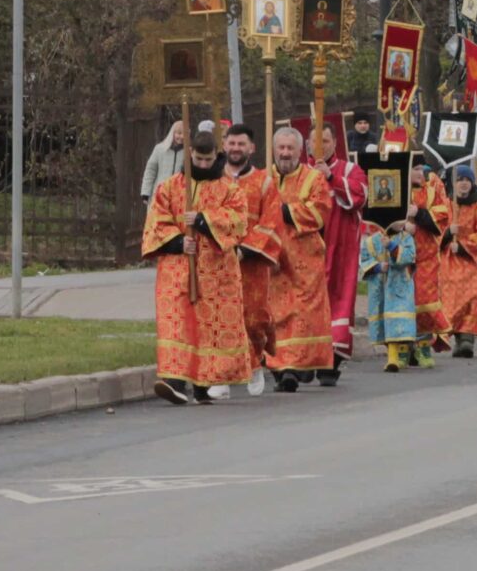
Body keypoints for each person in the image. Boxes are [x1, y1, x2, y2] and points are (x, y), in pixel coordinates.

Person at [143, 131, 251, 406]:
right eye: (198, 159)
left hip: (216, 273)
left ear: (217, 156)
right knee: (177, 324)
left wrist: (203, 220)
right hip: (177, 270)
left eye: (208, 159)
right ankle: (174, 382)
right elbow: (156, 221)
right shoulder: (169, 187)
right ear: (190, 155)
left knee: (208, 329)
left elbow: (238, 221)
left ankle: (203, 385)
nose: (203, 164)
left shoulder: (230, 189)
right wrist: (179, 242)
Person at [263, 128, 334, 391]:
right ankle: (280, 368)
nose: (285, 153)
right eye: (280, 148)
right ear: (273, 149)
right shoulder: (263, 179)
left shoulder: (313, 178)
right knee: (275, 315)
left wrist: (285, 210)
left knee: (302, 314)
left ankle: (295, 367)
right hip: (272, 258)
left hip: (304, 259)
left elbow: (320, 211)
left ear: (300, 150)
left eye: (290, 148)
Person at [222, 124, 282, 397]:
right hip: (219, 262)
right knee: (220, 317)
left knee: (254, 318)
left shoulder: (265, 182)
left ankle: (256, 362)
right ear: (224, 145)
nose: (235, 148)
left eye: (240, 144)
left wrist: (245, 248)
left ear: (251, 148)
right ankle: (220, 375)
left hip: (252, 263)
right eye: (231, 143)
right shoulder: (214, 180)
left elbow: (271, 221)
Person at [312, 123, 365, 384]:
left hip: (340, 246)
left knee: (338, 300)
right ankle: (305, 358)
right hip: (309, 250)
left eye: (326, 141)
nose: (321, 146)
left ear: (335, 142)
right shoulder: (302, 173)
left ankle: (332, 361)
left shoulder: (350, 170)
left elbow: (360, 194)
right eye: (316, 142)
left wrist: (331, 178)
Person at [439, 165, 477, 358]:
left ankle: (467, 339)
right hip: (450, 261)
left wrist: (464, 245)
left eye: (467, 180)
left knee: (472, 298)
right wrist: (449, 233)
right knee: (453, 299)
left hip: (473, 262)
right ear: (453, 184)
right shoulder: (446, 205)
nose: (463, 183)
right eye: (460, 180)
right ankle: (457, 336)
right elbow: (435, 230)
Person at [360, 205, 418, 373]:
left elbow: (409, 257)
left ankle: (400, 355)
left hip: (400, 288)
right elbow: (364, 261)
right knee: (386, 325)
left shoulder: (406, 239)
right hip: (380, 289)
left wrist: (392, 247)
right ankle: (393, 357)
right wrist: (377, 267)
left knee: (399, 322)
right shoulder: (372, 241)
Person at [408, 157, 452, 362]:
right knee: (403, 305)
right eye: (413, 169)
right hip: (400, 259)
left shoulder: (432, 192)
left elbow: (441, 219)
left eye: (420, 168)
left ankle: (424, 346)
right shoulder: (397, 189)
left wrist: (418, 213)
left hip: (426, 258)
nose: (418, 173)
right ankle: (405, 348)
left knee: (425, 304)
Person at [139, 120, 186, 208]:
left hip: (178, 196)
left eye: (184, 134)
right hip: (159, 194)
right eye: (179, 133)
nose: (182, 137)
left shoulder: (188, 152)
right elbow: (150, 170)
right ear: (173, 133)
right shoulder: (160, 149)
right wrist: (145, 192)